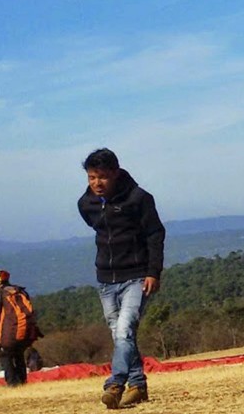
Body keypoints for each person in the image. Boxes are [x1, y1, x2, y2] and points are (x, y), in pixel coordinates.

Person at [78, 148, 165, 409]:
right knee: (120, 335)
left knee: (125, 330)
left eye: (102, 177)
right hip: (105, 279)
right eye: (92, 177)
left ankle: (115, 384)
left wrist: (153, 272)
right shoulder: (87, 204)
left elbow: (155, 234)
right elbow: (95, 225)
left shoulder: (139, 199)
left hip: (136, 276)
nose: (97, 183)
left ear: (115, 173)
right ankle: (137, 385)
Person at [0, 270, 43, 386]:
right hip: (25, 332)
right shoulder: (20, 291)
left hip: (8, 333)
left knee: (6, 356)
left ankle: (13, 384)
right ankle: (22, 382)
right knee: (19, 355)